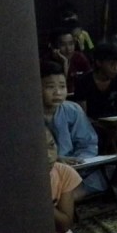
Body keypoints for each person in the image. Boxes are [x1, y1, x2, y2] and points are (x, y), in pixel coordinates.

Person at [41, 61, 108, 194]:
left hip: (75, 166)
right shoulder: (27, 116)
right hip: (46, 167)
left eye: (62, 86)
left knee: (101, 176)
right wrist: (57, 159)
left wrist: (78, 161)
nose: (58, 92)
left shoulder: (73, 110)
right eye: (50, 87)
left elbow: (88, 143)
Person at [73, 43, 117, 151]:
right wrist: (101, 127)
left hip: (115, 122)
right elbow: (82, 115)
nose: (116, 68)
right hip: (92, 125)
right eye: (112, 64)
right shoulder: (84, 82)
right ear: (99, 62)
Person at [47, 126, 93, 233]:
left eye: (51, 145)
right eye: (38, 149)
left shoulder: (63, 172)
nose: (49, 155)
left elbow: (64, 225)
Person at [44, 27, 91, 93]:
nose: (68, 48)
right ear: (54, 47)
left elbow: (90, 80)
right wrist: (64, 64)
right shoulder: (47, 62)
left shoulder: (79, 57)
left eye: (71, 44)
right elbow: (60, 87)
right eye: (63, 45)